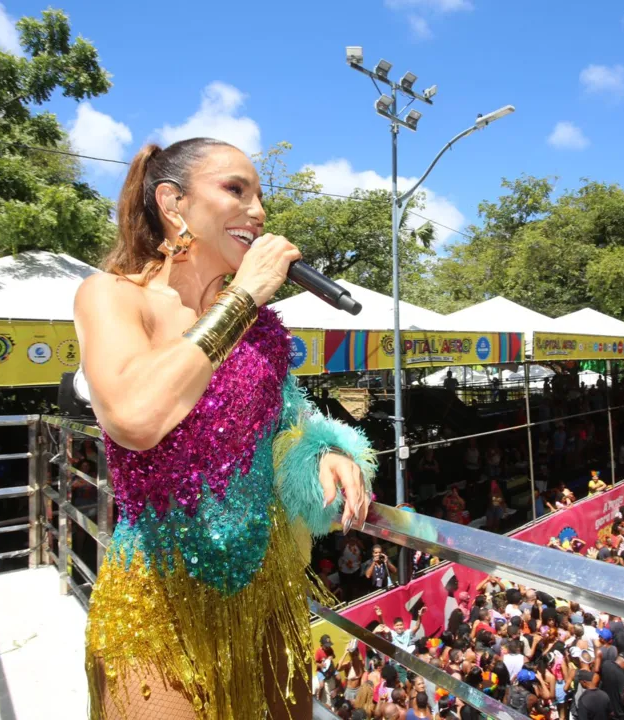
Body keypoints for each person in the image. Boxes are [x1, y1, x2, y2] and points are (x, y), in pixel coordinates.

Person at [77, 138, 374, 720]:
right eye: (236, 190)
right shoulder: (111, 297)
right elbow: (136, 418)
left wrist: (325, 449)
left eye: (260, 196)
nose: (258, 211)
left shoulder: (263, 328)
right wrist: (243, 297)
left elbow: (289, 418)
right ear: (173, 203)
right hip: (155, 604)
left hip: (266, 599)